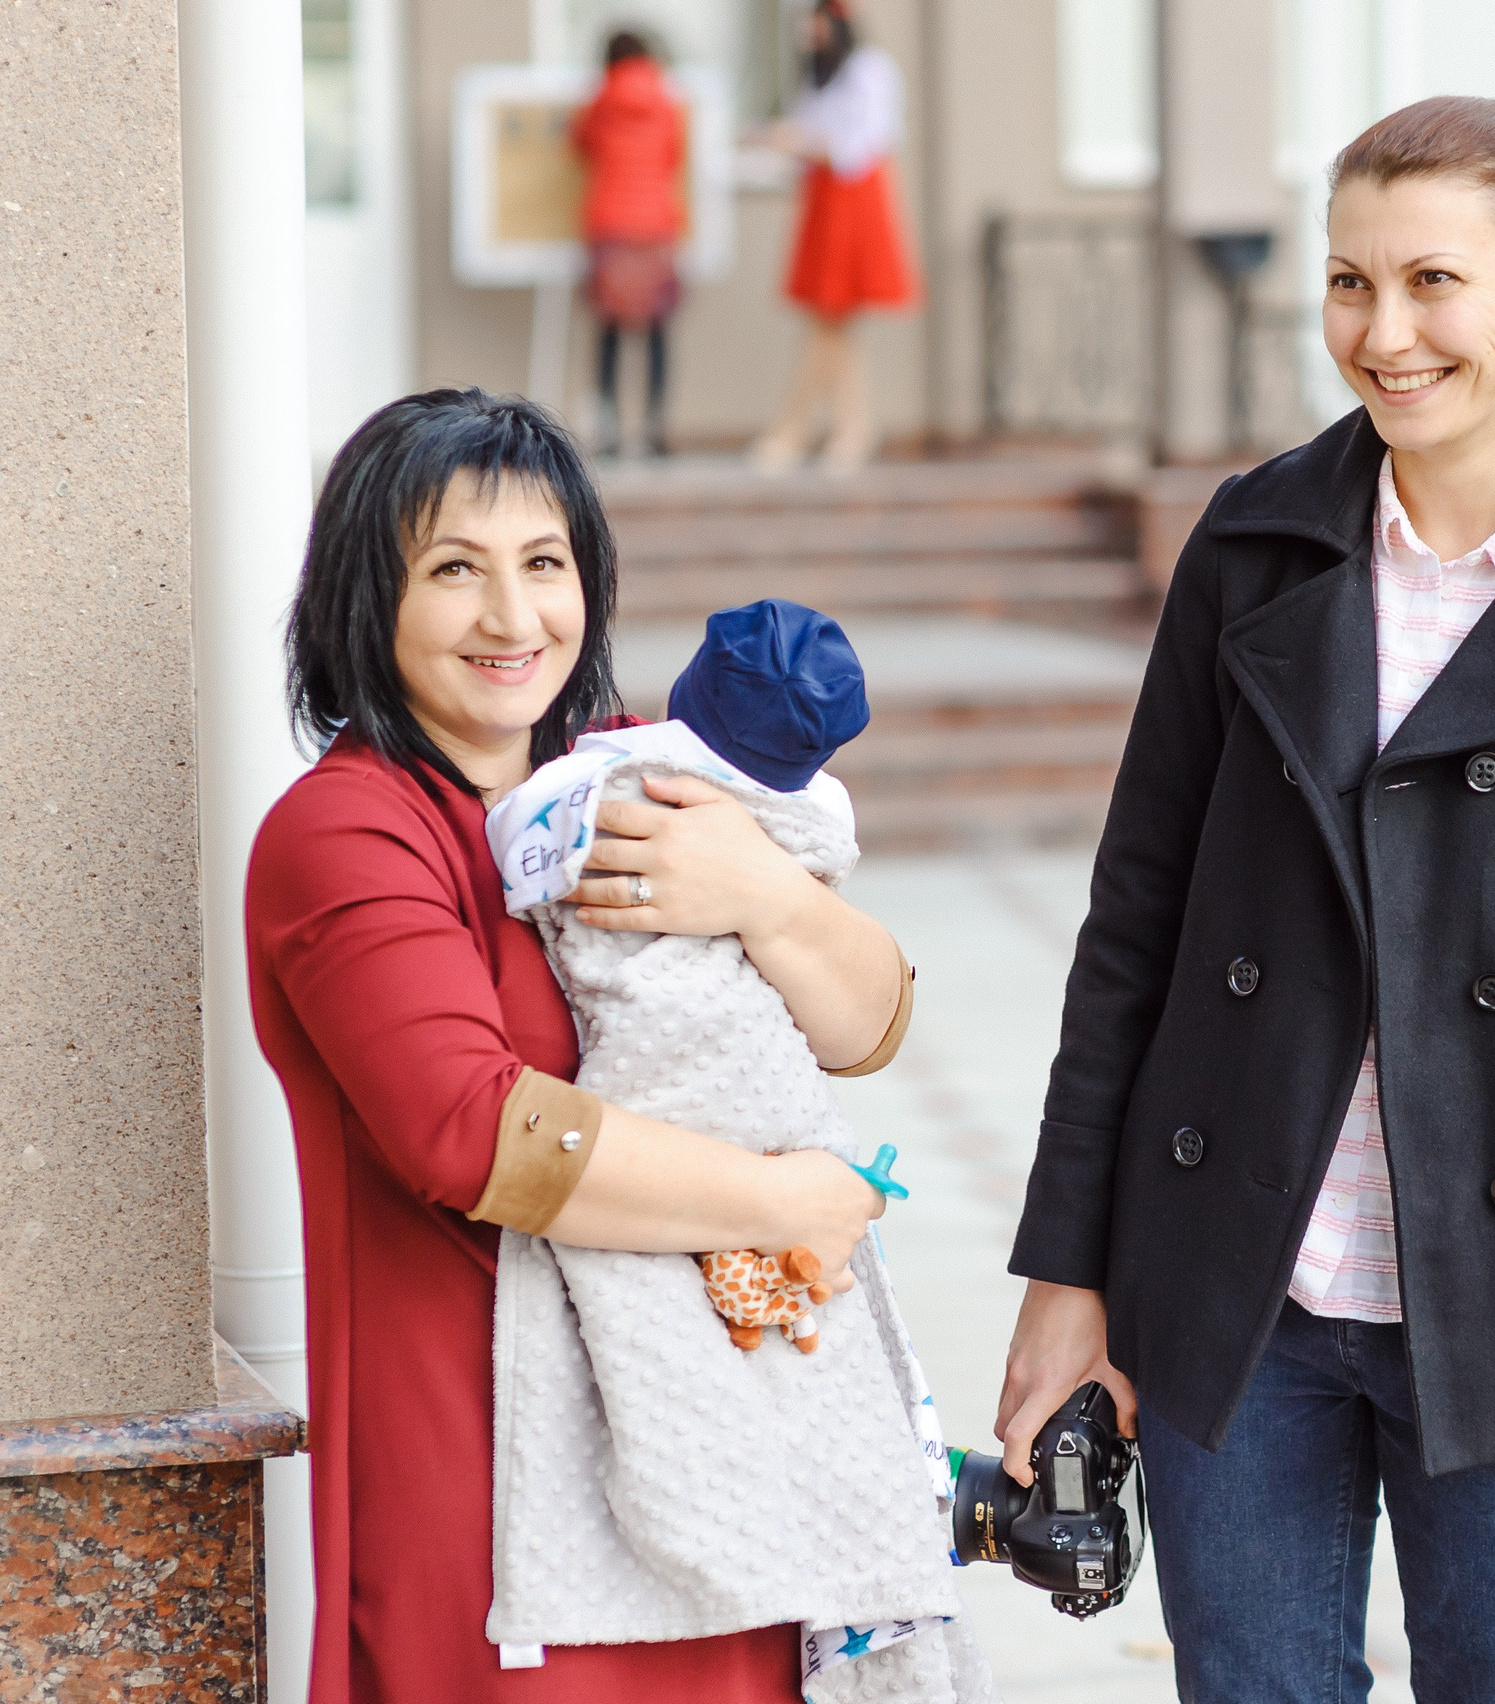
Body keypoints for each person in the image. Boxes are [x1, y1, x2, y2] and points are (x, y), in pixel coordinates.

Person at [996, 95, 1495, 1702]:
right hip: (1243, 1290)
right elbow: (1135, 933)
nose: (1386, 332)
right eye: (1350, 284)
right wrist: (1065, 1277)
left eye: (1436, 281)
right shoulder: (1254, 545)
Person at [247, 390, 911, 1702]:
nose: (513, 618)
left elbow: (870, 1022)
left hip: (708, 1447)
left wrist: (766, 894)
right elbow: (478, 1133)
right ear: (365, 600)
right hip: (492, 1480)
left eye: (544, 565)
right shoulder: (349, 833)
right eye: (454, 571)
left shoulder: (631, 776)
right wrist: (791, 1202)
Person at [749, 0, 918, 474]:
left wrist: (798, 141)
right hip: (825, 201)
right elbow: (811, 129)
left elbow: (856, 143)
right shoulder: (821, 76)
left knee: (831, 321)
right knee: (833, 325)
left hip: (853, 201)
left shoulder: (870, 71)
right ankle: (853, 429)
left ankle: (791, 431)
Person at [569, 30, 687, 458]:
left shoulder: (599, 100)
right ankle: (657, 423)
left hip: (611, 225)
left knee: (610, 328)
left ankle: (610, 427)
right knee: (656, 327)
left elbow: (580, 146)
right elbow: (674, 154)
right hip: (655, 225)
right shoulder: (665, 98)